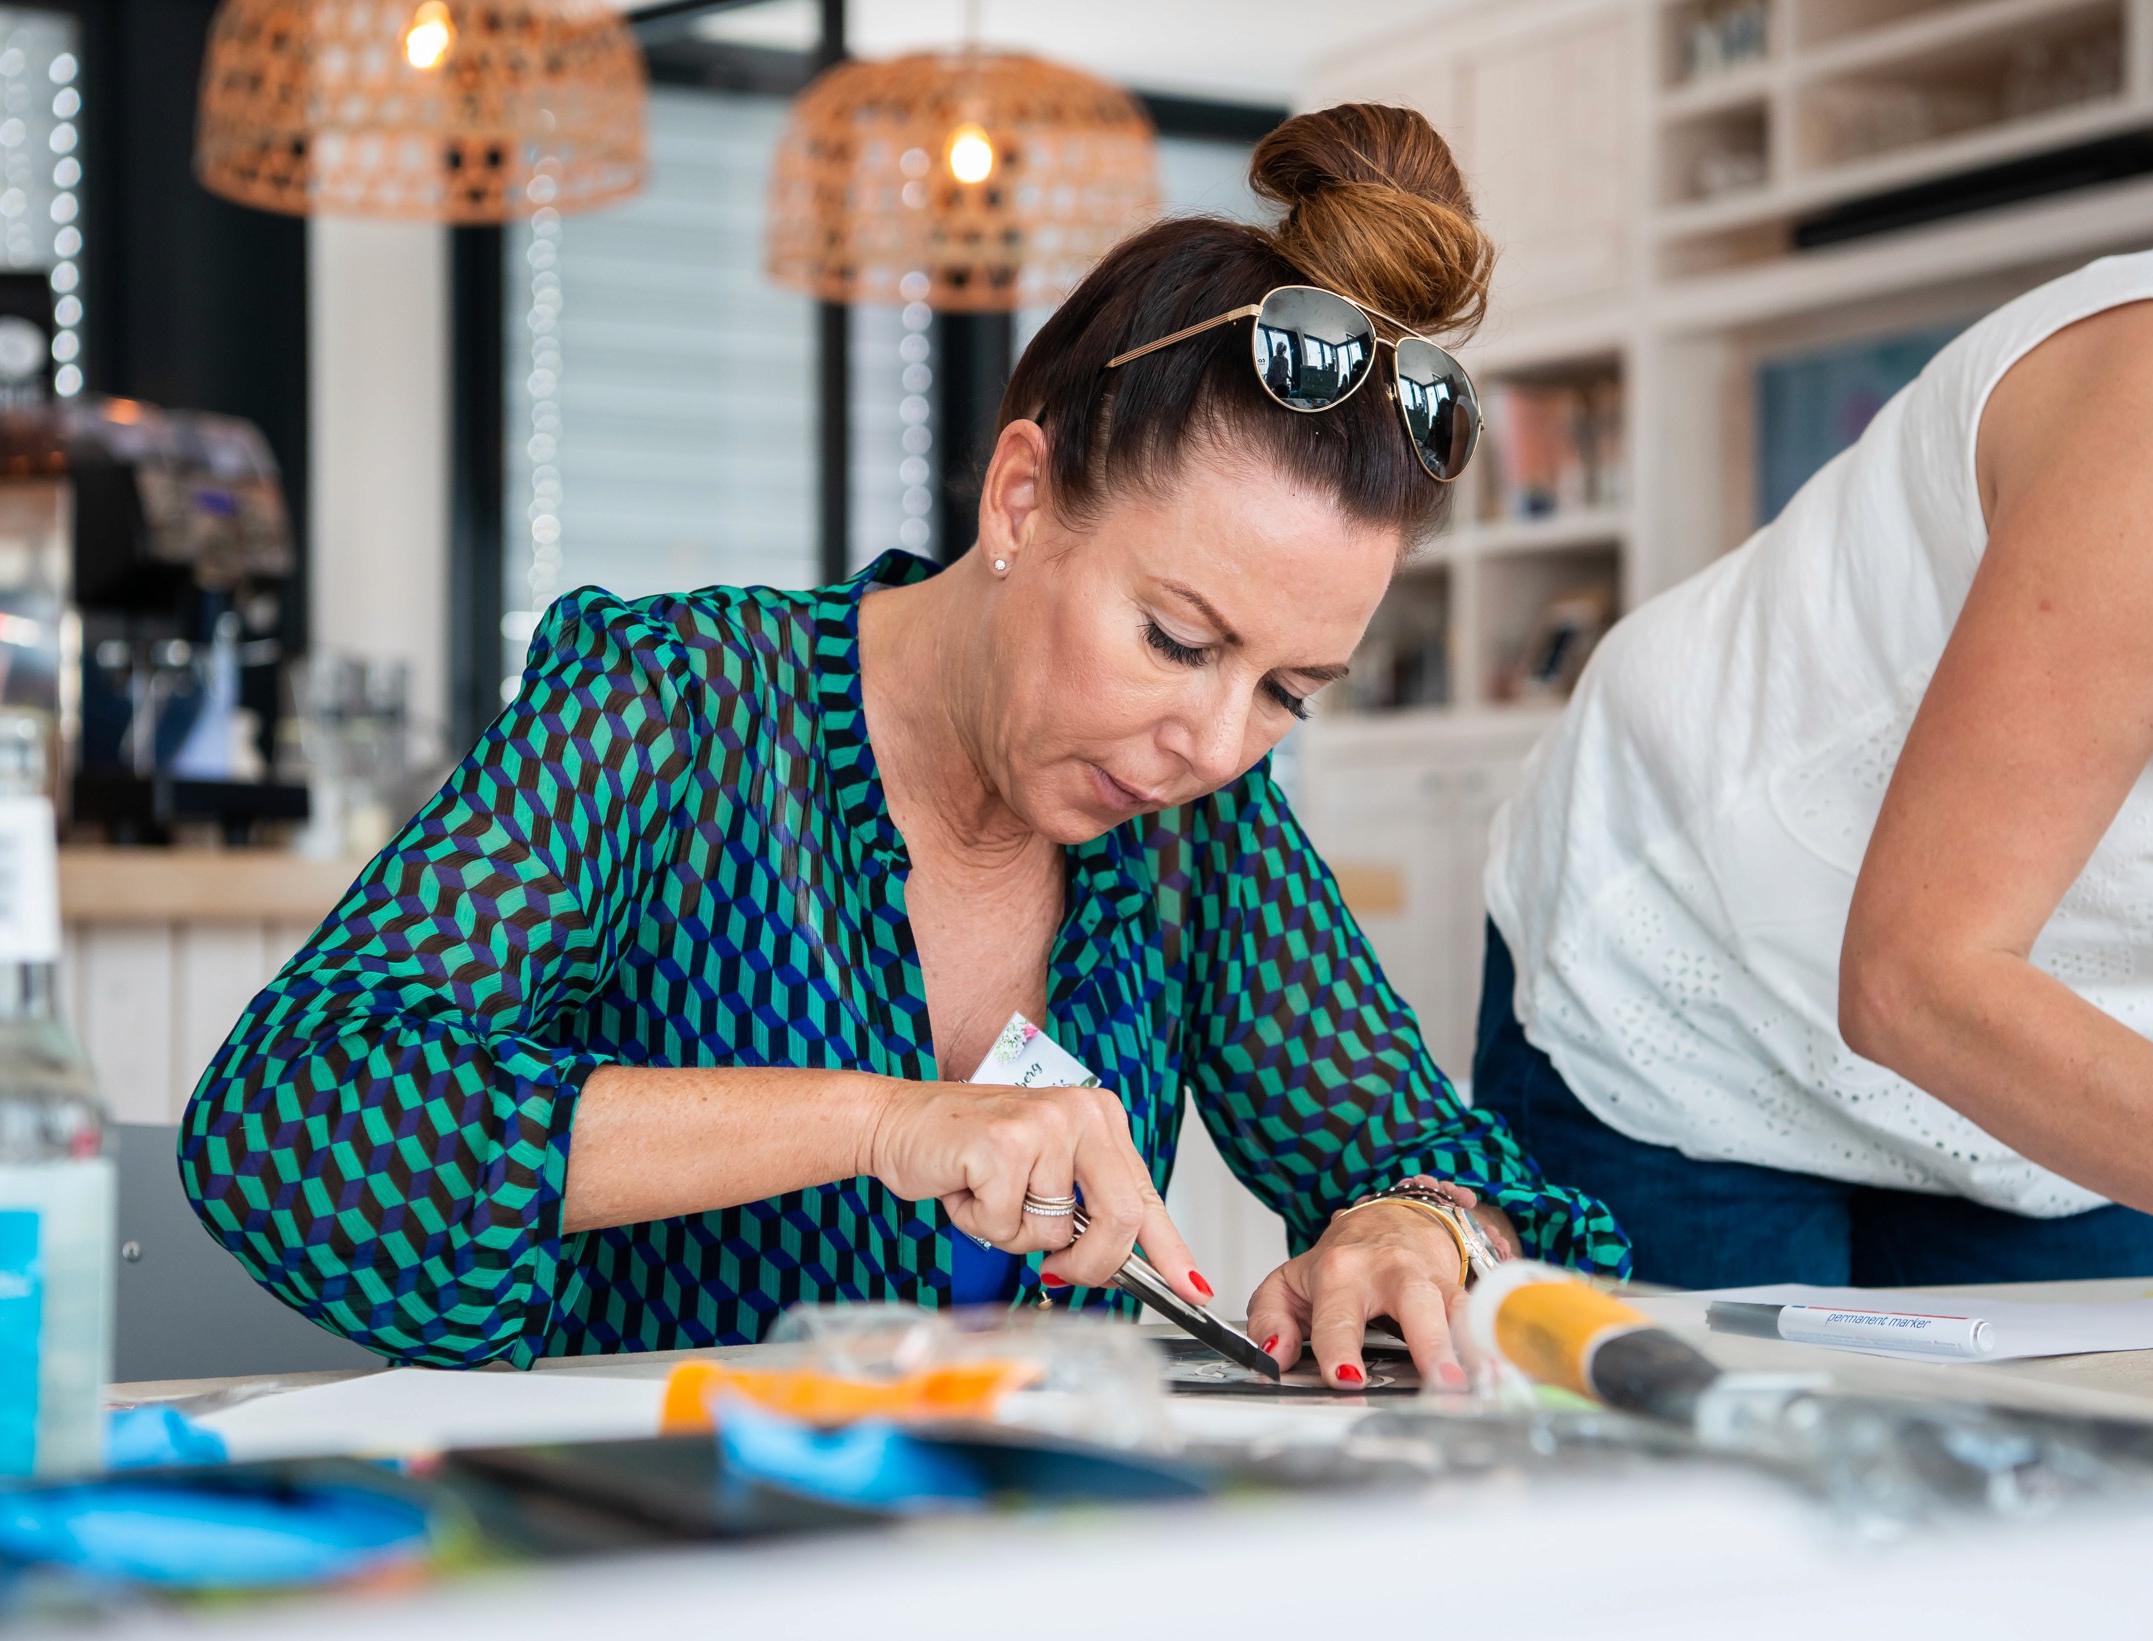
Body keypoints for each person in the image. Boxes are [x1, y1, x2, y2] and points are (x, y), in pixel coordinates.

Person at [182, 104, 1627, 1388]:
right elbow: (292, 1111)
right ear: (1020, 499)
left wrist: (1413, 1226)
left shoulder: (1194, 827)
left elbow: (1442, 1163)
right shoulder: (677, 704)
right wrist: (889, 1122)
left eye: (1288, 691)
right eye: (1177, 640)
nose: (1211, 738)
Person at [1479, 113, 2153, 1292]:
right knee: (1730, 1471)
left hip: (2037, 1119)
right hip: (1703, 999)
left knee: (2100, 1471)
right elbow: (1916, 979)